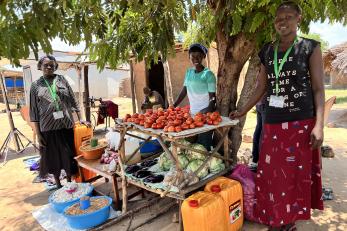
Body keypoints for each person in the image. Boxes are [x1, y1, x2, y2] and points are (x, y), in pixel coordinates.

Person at [230, 1, 324, 230]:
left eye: (288, 17)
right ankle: (275, 219)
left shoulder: (310, 47)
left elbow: (319, 89)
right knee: (271, 175)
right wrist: (243, 109)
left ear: (298, 19)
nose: (282, 22)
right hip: (272, 122)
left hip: (301, 123)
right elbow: (261, 86)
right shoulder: (267, 51)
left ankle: (289, 221)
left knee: (294, 176)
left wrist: (319, 125)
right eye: (278, 18)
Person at [30, 55, 86, 188]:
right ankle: (57, 183)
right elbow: (34, 111)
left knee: (68, 154)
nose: (49, 67)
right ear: (40, 67)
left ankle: (69, 182)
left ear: (55, 66)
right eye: (45, 65)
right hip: (48, 127)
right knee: (53, 157)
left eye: (51, 65)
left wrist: (81, 117)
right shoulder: (35, 85)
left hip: (65, 124)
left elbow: (73, 100)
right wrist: (38, 134)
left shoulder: (62, 80)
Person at [174, 43, 216, 150]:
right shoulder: (189, 72)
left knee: (203, 146)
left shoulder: (208, 74)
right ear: (189, 57)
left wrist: (207, 110)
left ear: (203, 56)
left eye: (198, 56)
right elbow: (184, 91)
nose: (195, 58)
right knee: (192, 146)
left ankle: (207, 165)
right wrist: (173, 105)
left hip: (205, 116)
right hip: (192, 115)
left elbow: (213, 98)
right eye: (193, 56)